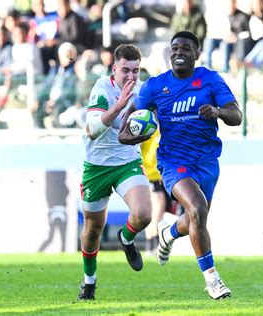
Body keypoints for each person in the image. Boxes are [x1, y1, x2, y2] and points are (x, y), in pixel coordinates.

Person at [119, 31, 242, 300]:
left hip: (207, 162)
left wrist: (218, 112)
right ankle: (213, 280)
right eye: (175, 48)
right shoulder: (154, 87)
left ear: (197, 54)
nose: (179, 52)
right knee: (197, 208)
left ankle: (169, 232)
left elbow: (236, 115)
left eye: (186, 48)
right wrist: (135, 135)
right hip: (174, 162)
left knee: (196, 217)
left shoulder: (210, 80)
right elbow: (125, 131)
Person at [78, 44, 153, 301]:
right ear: (114, 69)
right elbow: (92, 130)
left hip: (126, 162)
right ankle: (89, 281)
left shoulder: (143, 91)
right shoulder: (102, 89)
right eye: (126, 71)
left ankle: (126, 237)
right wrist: (120, 105)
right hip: (97, 167)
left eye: (136, 70)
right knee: (93, 226)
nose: (131, 77)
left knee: (143, 214)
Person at [140, 129, 174, 255]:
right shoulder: (149, 128)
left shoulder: (166, 129)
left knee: (158, 210)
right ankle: (152, 245)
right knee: (157, 208)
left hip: (163, 176)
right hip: (150, 175)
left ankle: (153, 245)